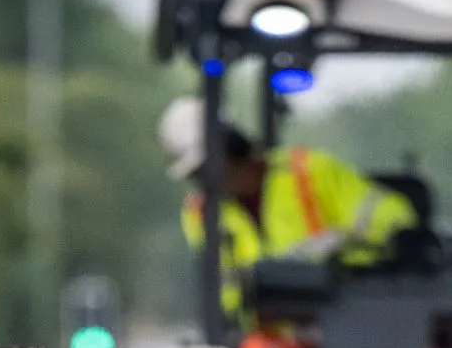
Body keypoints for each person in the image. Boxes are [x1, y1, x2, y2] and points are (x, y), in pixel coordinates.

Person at [158, 96, 417, 334]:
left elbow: (397, 219)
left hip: (343, 326)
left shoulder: (310, 173)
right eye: (195, 175)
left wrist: (342, 241)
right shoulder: (201, 214)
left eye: (205, 168)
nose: (204, 181)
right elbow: (224, 294)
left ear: (232, 145)